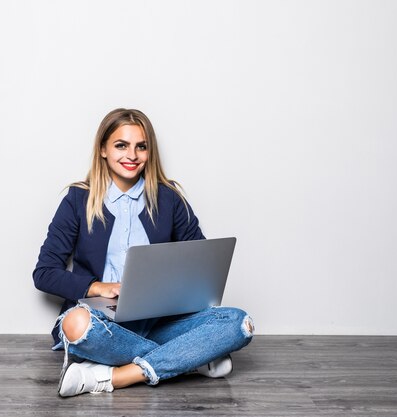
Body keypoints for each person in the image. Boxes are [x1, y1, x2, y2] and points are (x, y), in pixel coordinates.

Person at [33, 108, 254, 397]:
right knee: (76, 325)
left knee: (239, 323)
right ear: (103, 149)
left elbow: (200, 268)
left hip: (159, 321)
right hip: (103, 321)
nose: (132, 155)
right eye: (121, 145)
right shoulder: (78, 199)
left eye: (141, 146)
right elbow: (44, 273)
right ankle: (189, 358)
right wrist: (98, 286)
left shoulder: (169, 198)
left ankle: (110, 377)